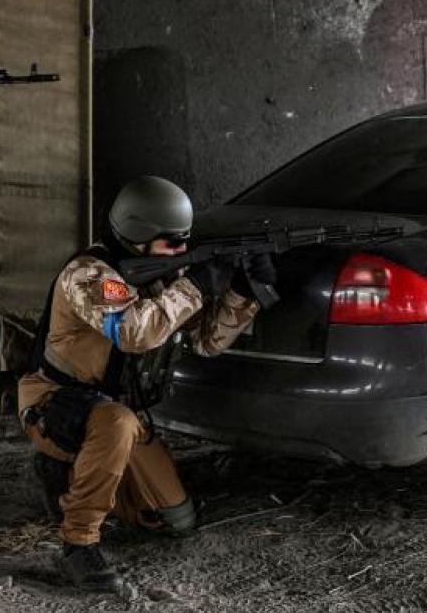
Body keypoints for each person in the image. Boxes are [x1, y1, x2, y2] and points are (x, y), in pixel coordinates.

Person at [17, 175, 275, 592]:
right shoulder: (89, 274)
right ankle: (78, 543)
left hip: (117, 413)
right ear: (138, 235)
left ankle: (71, 479)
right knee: (115, 422)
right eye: (172, 242)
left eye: (185, 241)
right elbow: (133, 331)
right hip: (55, 404)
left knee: (172, 518)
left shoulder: (161, 278)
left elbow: (207, 342)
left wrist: (243, 293)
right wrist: (195, 285)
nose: (181, 251)